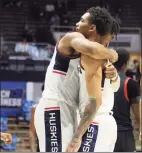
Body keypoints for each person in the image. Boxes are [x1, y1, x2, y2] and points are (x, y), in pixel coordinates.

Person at [34, 6, 119, 152]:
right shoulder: (74, 37)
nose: (77, 24)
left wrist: (114, 73)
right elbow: (92, 49)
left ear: (92, 27)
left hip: (70, 110)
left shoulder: (94, 57)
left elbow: (99, 97)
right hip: (54, 106)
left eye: (81, 21)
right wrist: (113, 54)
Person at [112, 48, 141, 152]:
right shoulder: (131, 84)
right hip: (124, 134)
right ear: (126, 63)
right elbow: (138, 115)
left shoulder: (101, 81)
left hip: (104, 132)